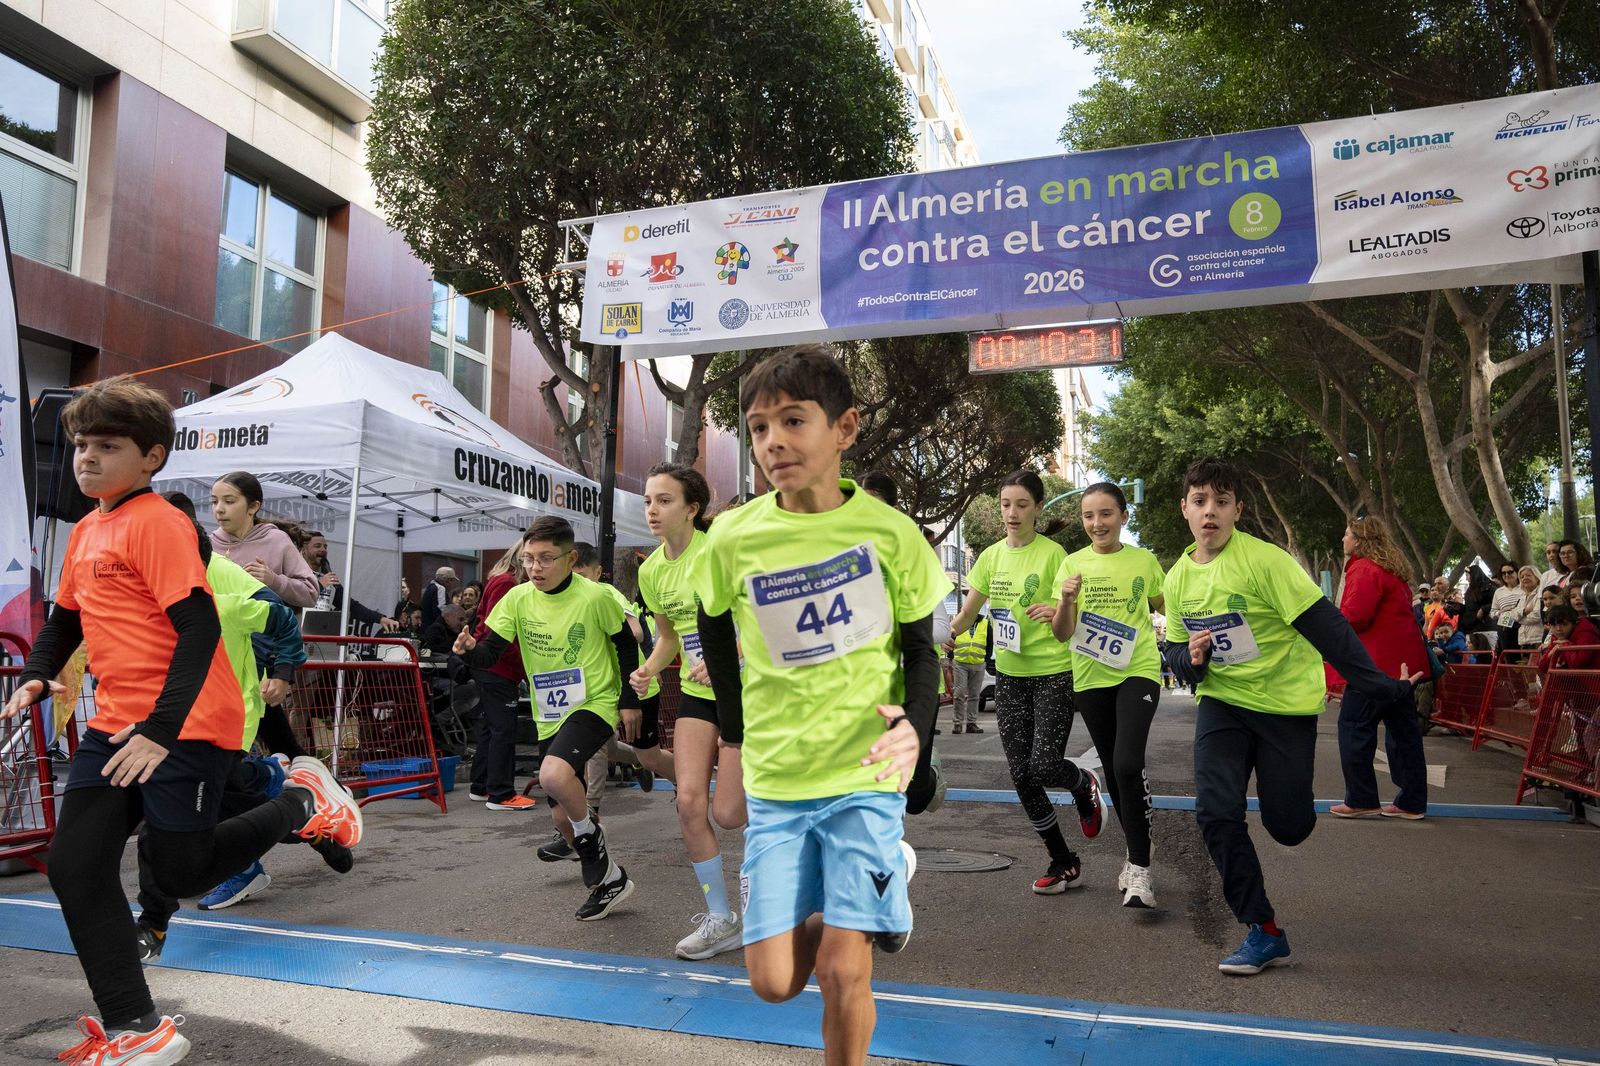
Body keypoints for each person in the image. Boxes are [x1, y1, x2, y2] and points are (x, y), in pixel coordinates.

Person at [2, 377, 363, 1064]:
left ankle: (301, 800)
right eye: (82, 445)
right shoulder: (87, 530)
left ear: (152, 458)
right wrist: (36, 677)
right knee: (77, 866)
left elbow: (197, 629)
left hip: (188, 721)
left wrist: (161, 731)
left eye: (107, 446)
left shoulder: (158, 524)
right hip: (117, 723)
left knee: (183, 871)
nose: (87, 458)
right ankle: (137, 1030)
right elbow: (66, 620)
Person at [689, 346, 946, 1066]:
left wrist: (914, 737)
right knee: (774, 984)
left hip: (864, 775)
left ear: (846, 428)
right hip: (777, 777)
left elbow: (923, 653)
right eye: (759, 427)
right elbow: (711, 623)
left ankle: (871, 883)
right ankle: (873, 887)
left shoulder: (890, 535)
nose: (773, 441)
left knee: (841, 968)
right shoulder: (734, 538)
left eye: (793, 420)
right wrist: (733, 742)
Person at [1160, 457, 1419, 976]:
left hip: (1285, 708)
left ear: (1238, 510)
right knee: (1214, 813)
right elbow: (1173, 658)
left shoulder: (1267, 562)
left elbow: (1331, 630)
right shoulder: (1178, 578)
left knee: (1289, 826)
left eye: (1222, 502)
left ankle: (1290, 815)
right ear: (1185, 508)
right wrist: (1189, 658)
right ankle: (1263, 930)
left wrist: (1383, 687)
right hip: (1224, 705)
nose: (1210, 511)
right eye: (1201, 501)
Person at [454, 516, 640, 921]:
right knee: (560, 815)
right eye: (529, 559)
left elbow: (626, 646)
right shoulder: (518, 598)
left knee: (553, 776)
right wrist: (470, 648)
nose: (535, 568)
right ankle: (611, 879)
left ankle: (592, 844)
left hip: (594, 701)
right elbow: (491, 654)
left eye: (546, 559)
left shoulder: (596, 597)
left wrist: (629, 699)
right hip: (549, 712)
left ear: (571, 558)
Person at [950, 469, 1103, 895]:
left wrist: (1053, 610)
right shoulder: (990, 557)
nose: (1012, 513)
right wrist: (943, 634)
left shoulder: (1057, 555)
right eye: (1005, 504)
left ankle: (1081, 783)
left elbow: (1069, 618)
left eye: (1021, 505)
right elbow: (967, 615)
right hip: (1011, 677)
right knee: (1021, 774)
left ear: (1038, 508)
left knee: (1044, 765)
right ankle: (1062, 859)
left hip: (1054, 671)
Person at [630, 463, 748, 960]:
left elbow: (760, 618)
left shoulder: (720, 551)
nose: (652, 510)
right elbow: (669, 636)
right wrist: (649, 670)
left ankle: (785, 886)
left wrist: (728, 655)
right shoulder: (650, 569)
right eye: (648, 501)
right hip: (699, 693)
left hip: (748, 689)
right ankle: (721, 917)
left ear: (692, 509)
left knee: (731, 812)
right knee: (688, 801)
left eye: (664, 501)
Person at [1048, 481, 1165, 907]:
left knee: (1128, 763)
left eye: (1106, 514)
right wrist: (1065, 600)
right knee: (1116, 775)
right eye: (1088, 516)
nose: (1097, 523)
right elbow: (1062, 633)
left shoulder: (1143, 560)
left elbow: (1167, 605)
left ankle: (1139, 871)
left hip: (1138, 670)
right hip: (1091, 678)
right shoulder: (1071, 565)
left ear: (1123, 517)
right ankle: (1140, 844)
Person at [210, 472, 318, 763]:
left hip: (267, 659)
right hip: (224, 660)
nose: (219, 509)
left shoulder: (276, 540)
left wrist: (273, 580)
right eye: (214, 501)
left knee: (269, 737)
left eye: (229, 501)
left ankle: (307, 786)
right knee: (252, 741)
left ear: (253, 506)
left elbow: (311, 592)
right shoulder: (207, 545)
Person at [1327, 516, 1429, 822]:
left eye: (1346, 535)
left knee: (1354, 729)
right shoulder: (1394, 571)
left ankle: (1361, 798)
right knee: (1403, 735)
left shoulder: (1363, 568)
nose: (1343, 540)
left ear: (1359, 540)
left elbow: (1355, 615)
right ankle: (1412, 801)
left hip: (1371, 667)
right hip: (1403, 667)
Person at [574, 542, 675, 804]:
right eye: (571, 576)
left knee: (647, 754)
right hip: (598, 688)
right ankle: (591, 809)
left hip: (635, 686)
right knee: (597, 746)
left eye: (582, 576)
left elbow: (637, 633)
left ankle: (682, 781)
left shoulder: (607, 595)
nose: (577, 583)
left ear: (597, 573)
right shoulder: (568, 600)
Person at [464, 541, 534, 811]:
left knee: (492, 729)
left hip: (492, 666)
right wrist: (522, 667)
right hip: (497, 667)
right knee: (503, 729)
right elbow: (499, 631)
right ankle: (500, 793)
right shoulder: (507, 584)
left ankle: (483, 786)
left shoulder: (499, 581)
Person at [301, 531, 398, 632]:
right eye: (317, 546)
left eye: (325, 547)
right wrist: (320, 585)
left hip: (320, 637)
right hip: (297, 637)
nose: (323, 550)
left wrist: (380, 619)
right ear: (304, 550)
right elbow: (293, 600)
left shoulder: (327, 577)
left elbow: (350, 606)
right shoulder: (295, 573)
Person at [949, 608, 991, 734]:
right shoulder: (959, 622)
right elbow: (950, 639)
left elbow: (990, 643)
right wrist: (951, 656)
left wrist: (985, 660)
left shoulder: (985, 623)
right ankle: (957, 723)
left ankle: (971, 724)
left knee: (974, 695)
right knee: (959, 693)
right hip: (960, 663)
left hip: (978, 664)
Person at [1537, 604, 1600, 673]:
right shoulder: (1558, 636)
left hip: (1592, 681)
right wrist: (1551, 653)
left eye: (1564, 624)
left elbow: (1577, 664)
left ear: (1574, 623)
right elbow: (1542, 668)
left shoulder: (1586, 634)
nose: (1558, 629)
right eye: (1554, 625)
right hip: (1572, 681)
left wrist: (1566, 646)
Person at [1491, 562, 1524, 652]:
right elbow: (1492, 612)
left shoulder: (1524, 588)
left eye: (1510, 572)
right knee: (1509, 657)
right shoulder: (1498, 592)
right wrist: (1499, 613)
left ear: (1517, 572)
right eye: (1503, 573)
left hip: (1522, 626)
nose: (1506, 575)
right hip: (1504, 629)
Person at [1511, 567, 1546, 649]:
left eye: (1528, 575)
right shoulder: (1522, 596)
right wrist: (1524, 612)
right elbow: (1513, 615)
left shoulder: (1541, 594)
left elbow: (1537, 616)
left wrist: (1519, 620)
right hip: (1523, 640)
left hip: (1538, 639)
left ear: (1537, 578)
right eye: (1522, 577)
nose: (1525, 578)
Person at [421, 566, 458, 631]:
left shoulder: (429, 588)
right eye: (452, 580)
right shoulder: (440, 589)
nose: (452, 584)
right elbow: (442, 611)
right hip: (435, 632)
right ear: (447, 580)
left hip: (426, 629)